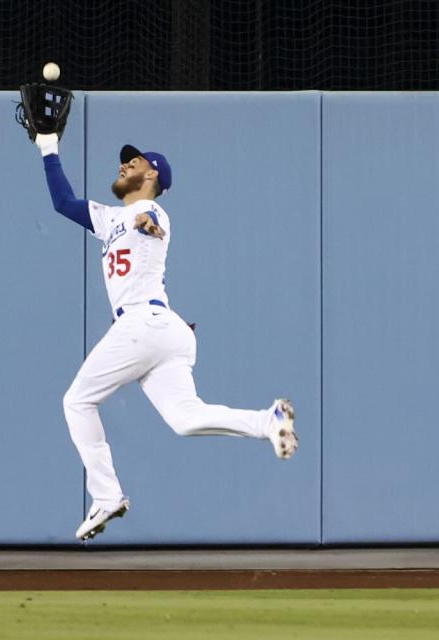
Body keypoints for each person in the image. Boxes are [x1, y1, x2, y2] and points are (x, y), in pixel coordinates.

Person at [31, 132, 299, 542]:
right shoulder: (108, 219)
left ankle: (106, 496)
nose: (124, 165)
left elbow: (150, 222)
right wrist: (48, 146)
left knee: (77, 401)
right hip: (165, 331)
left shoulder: (151, 209)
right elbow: (63, 203)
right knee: (186, 419)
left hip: (143, 324)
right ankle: (269, 421)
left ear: (152, 173)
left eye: (134, 162)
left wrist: (147, 222)